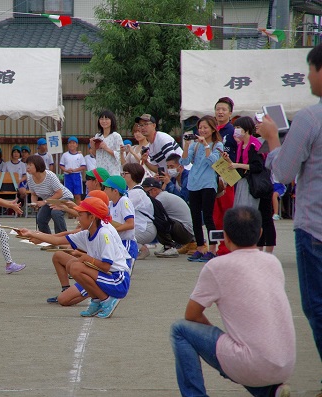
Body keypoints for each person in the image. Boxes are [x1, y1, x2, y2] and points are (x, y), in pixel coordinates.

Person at [170, 206, 295, 397]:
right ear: (260, 233)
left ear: (225, 237)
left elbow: (191, 315)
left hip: (250, 363)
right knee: (240, 351)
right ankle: (270, 392)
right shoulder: (272, 263)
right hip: (285, 364)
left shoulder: (217, 266)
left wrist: (215, 340)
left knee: (180, 329)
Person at [259, 43, 322, 377]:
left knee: (317, 307)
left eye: (311, 69)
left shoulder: (310, 118)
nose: (309, 77)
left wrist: (272, 139)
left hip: (314, 228)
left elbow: (282, 173)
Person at [20, 197, 132, 318]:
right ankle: (96, 300)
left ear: (92, 217)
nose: (77, 219)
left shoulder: (104, 234)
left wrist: (86, 258)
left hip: (117, 280)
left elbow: (106, 266)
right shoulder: (87, 233)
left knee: (76, 267)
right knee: (72, 265)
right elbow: (58, 240)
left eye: (80, 215)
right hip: (107, 277)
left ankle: (107, 300)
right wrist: (32, 233)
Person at [223, 116, 276, 253]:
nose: (236, 131)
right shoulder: (241, 145)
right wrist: (230, 162)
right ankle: (258, 247)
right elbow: (241, 167)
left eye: (238, 128)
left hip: (260, 187)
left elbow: (257, 166)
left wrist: (237, 164)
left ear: (247, 129)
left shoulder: (254, 145)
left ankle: (268, 249)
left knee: (265, 219)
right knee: (254, 218)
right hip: (249, 185)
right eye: (235, 128)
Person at [180, 115, 224, 263]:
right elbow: (184, 161)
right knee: (195, 218)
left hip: (208, 184)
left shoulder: (217, 145)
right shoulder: (195, 145)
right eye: (200, 128)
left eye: (205, 127)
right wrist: (187, 145)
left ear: (213, 129)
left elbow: (214, 161)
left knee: (209, 217)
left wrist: (206, 145)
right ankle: (200, 247)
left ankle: (212, 249)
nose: (202, 130)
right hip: (193, 183)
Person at [142, 177, 195, 258]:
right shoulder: (163, 196)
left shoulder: (161, 198)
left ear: (155, 190)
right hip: (185, 231)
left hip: (185, 233)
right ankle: (167, 246)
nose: (145, 196)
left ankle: (169, 247)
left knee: (158, 220)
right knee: (159, 219)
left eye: (146, 193)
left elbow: (149, 214)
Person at [213, 97, 238, 256]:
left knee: (228, 212)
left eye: (224, 109)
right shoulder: (211, 130)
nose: (220, 112)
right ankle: (221, 247)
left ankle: (230, 247)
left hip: (229, 177)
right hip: (213, 177)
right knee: (216, 215)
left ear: (230, 113)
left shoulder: (233, 131)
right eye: (218, 109)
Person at [26, 154, 74, 234]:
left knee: (56, 213)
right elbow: (33, 194)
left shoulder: (50, 176)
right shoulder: (30, 178)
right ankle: (48, 241)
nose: (27, 167)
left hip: (63, 197)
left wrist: (44, 202)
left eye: (30, 165)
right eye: (27, 165)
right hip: (49, 200)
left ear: (38, 165)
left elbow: (59, 193)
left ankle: (62, 239)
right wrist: (34, 203)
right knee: (41, 218)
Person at [123, 163, 156, 260]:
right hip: (141, 227)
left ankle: (142, 248)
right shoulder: (131, 191)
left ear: (133, 175)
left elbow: (122, 209)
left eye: (125, 173)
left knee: (118, 234)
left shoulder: (136, 193)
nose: (123, 176)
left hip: (145, 229)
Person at [102, 175, 138, 262]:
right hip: (116, 243)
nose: (104, 191)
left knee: (123, 272)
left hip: (126, 243)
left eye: (106, 188)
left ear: (115, 191)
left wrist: (112, 231)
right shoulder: (110, 204)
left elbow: (130, 224)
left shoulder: (124, 200)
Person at [90, 110, 122, 177]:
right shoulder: (98, 136)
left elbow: (120, 156)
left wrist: (106, 148)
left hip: (112, 171)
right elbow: (96, 155)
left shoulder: (116, 136)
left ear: (111, 120)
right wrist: (92, 146)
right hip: (100, 170)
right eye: (101, 119)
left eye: (106, 119)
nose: (104, 121)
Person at [59, 136, 86, 204]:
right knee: (68, 196)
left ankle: (78, 212)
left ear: (76, 145)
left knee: (77, 195)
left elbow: (83, 166)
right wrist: (66, 170)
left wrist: (74, 170)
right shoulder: (65, 155)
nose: (72, 145)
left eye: (74, 143)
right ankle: (70, 213)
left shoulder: (80, 155)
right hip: (67, 177)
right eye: (70, 143)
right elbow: (61, 165)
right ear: (68, 145)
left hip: (77, 177)